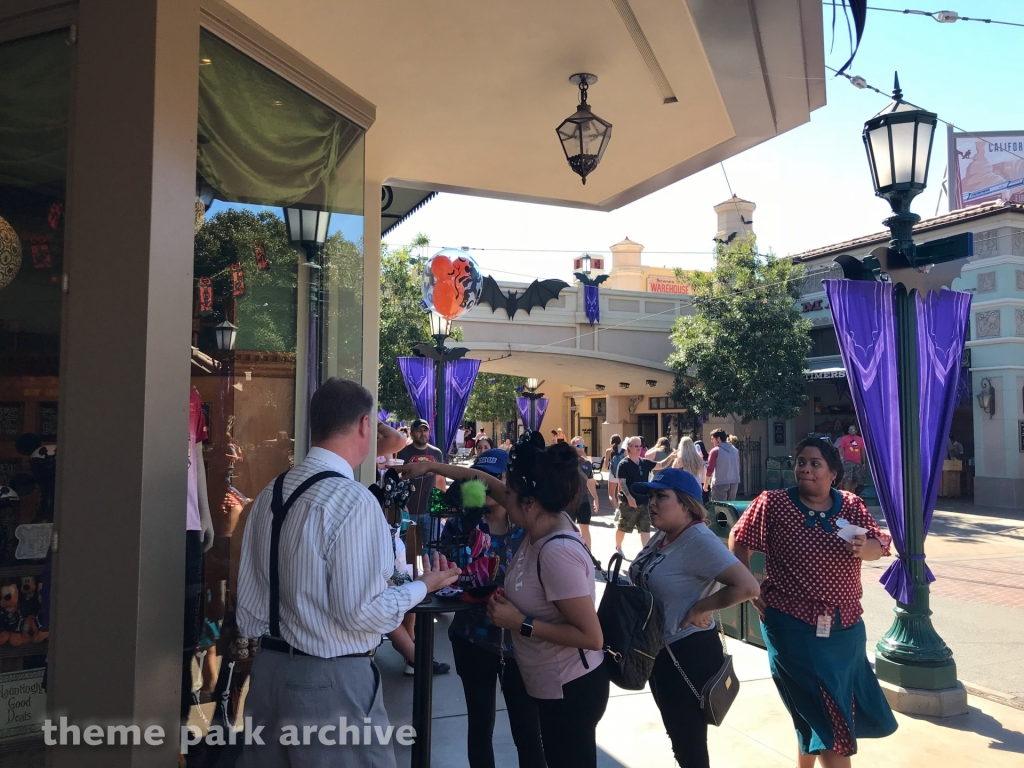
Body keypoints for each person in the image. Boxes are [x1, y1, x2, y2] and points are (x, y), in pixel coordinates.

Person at [236, 378, 461, 767]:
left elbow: (251, 602)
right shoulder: (352, 500)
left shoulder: (271, 493)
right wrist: (423, 586)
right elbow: (362, 612)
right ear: (362, 425)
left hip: (268, 675)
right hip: (330, 682)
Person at [399, 435, 607, 768]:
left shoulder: (556, 550)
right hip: (544, 678)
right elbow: (483, 482)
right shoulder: (543, 522)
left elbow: (592, 637)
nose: (497, 494)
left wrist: (519, 622)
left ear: (528, 502)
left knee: (543, 746)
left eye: (507, 492)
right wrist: (431, 466)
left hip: (570, 687)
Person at [729, 438, 897, 766]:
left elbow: (880, 544)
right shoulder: (773, 503)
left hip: (845, 629)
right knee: (830, 722)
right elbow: (739, 536)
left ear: (833, 472)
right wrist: (752, 587)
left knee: (816, 711)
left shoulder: (850, 505)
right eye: (800, 461)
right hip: (791, 624)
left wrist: (867, 548)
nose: (805, 468)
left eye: (815, 463)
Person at [628, 469, 760, 768]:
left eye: (661, 496)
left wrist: (702, 607)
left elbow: (748, 586)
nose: (652, 503)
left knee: (689, 746)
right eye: (650, 496)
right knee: (680, 739)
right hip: (658, 651)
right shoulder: (664, 535)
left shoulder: (698, 539)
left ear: (686, 505)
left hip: (686, 653)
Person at [431, 449, 546, 768]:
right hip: (472, 639)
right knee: (480, 727)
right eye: (480, 478)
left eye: (495, 478)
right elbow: (446, 568)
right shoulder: (464, 522)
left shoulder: (530, 525)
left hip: (520, 645)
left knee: (527, 731)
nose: (486, 485)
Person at [613, 436, 673, 558]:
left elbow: (660, 465)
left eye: (640, 446)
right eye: (636, 446)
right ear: (629, 448)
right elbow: (622, 482)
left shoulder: (645, 462)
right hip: (628, 502)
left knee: (645, 528)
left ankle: (646, 552)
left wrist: (671, 457)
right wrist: (629, 497)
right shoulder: (624, 464)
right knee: (623, 526)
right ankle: (618, 547)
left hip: (644, 501)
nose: (639, 448)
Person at [396, 418, 445, 531]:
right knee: (410, 547)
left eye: (425, 430)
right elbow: (399, 480)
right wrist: (403, 505)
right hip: (409, 509)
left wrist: (440, 506)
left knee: (431, 547)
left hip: (430, 510)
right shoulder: (404, 452)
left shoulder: (437, 453)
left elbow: (440, 480)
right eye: (419, 431)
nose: (423, 433)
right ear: (412, 433)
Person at [570, 439, 600, 549]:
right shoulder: (566, 462)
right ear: (572, 446)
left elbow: (590, 481)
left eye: (583, 445)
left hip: (584, 500)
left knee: (585, 529)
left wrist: (595, 498)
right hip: (569, 501)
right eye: (579, 445)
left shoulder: (587, 463)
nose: (581, 447)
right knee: (569, 529)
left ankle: (588, 557)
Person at [704, 428, 741, 501]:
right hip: (734, 482)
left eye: (712, 439)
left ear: (718, 439)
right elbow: (738, 466)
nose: (711, 441)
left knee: (719, 508)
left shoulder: (715, 451)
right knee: (730, 508)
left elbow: (710, 469)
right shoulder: (735, 450)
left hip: (720, 483)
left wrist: (706, 484)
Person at [836, 426, 866, 494]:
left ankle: (852, 495)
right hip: (847, 462)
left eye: (853, 429)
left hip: (857, 462)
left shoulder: (860, 439)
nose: (851, 431)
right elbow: (840, 449)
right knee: (847, 479)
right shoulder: (844, 439)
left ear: (856, 431)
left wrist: (863, 462)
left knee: (855, 480)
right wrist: (840, 459)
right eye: (850, 430)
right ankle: (847, 494)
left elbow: (862, 451)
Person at [604, 434, 624, 505]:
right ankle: (620, 509)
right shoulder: (624, 451)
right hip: (622, 474)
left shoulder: (608, 451)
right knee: (620, 494)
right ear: (620, 442)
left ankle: (616, 510)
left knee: (611, 495)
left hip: (612, 474)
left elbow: (606, 466)